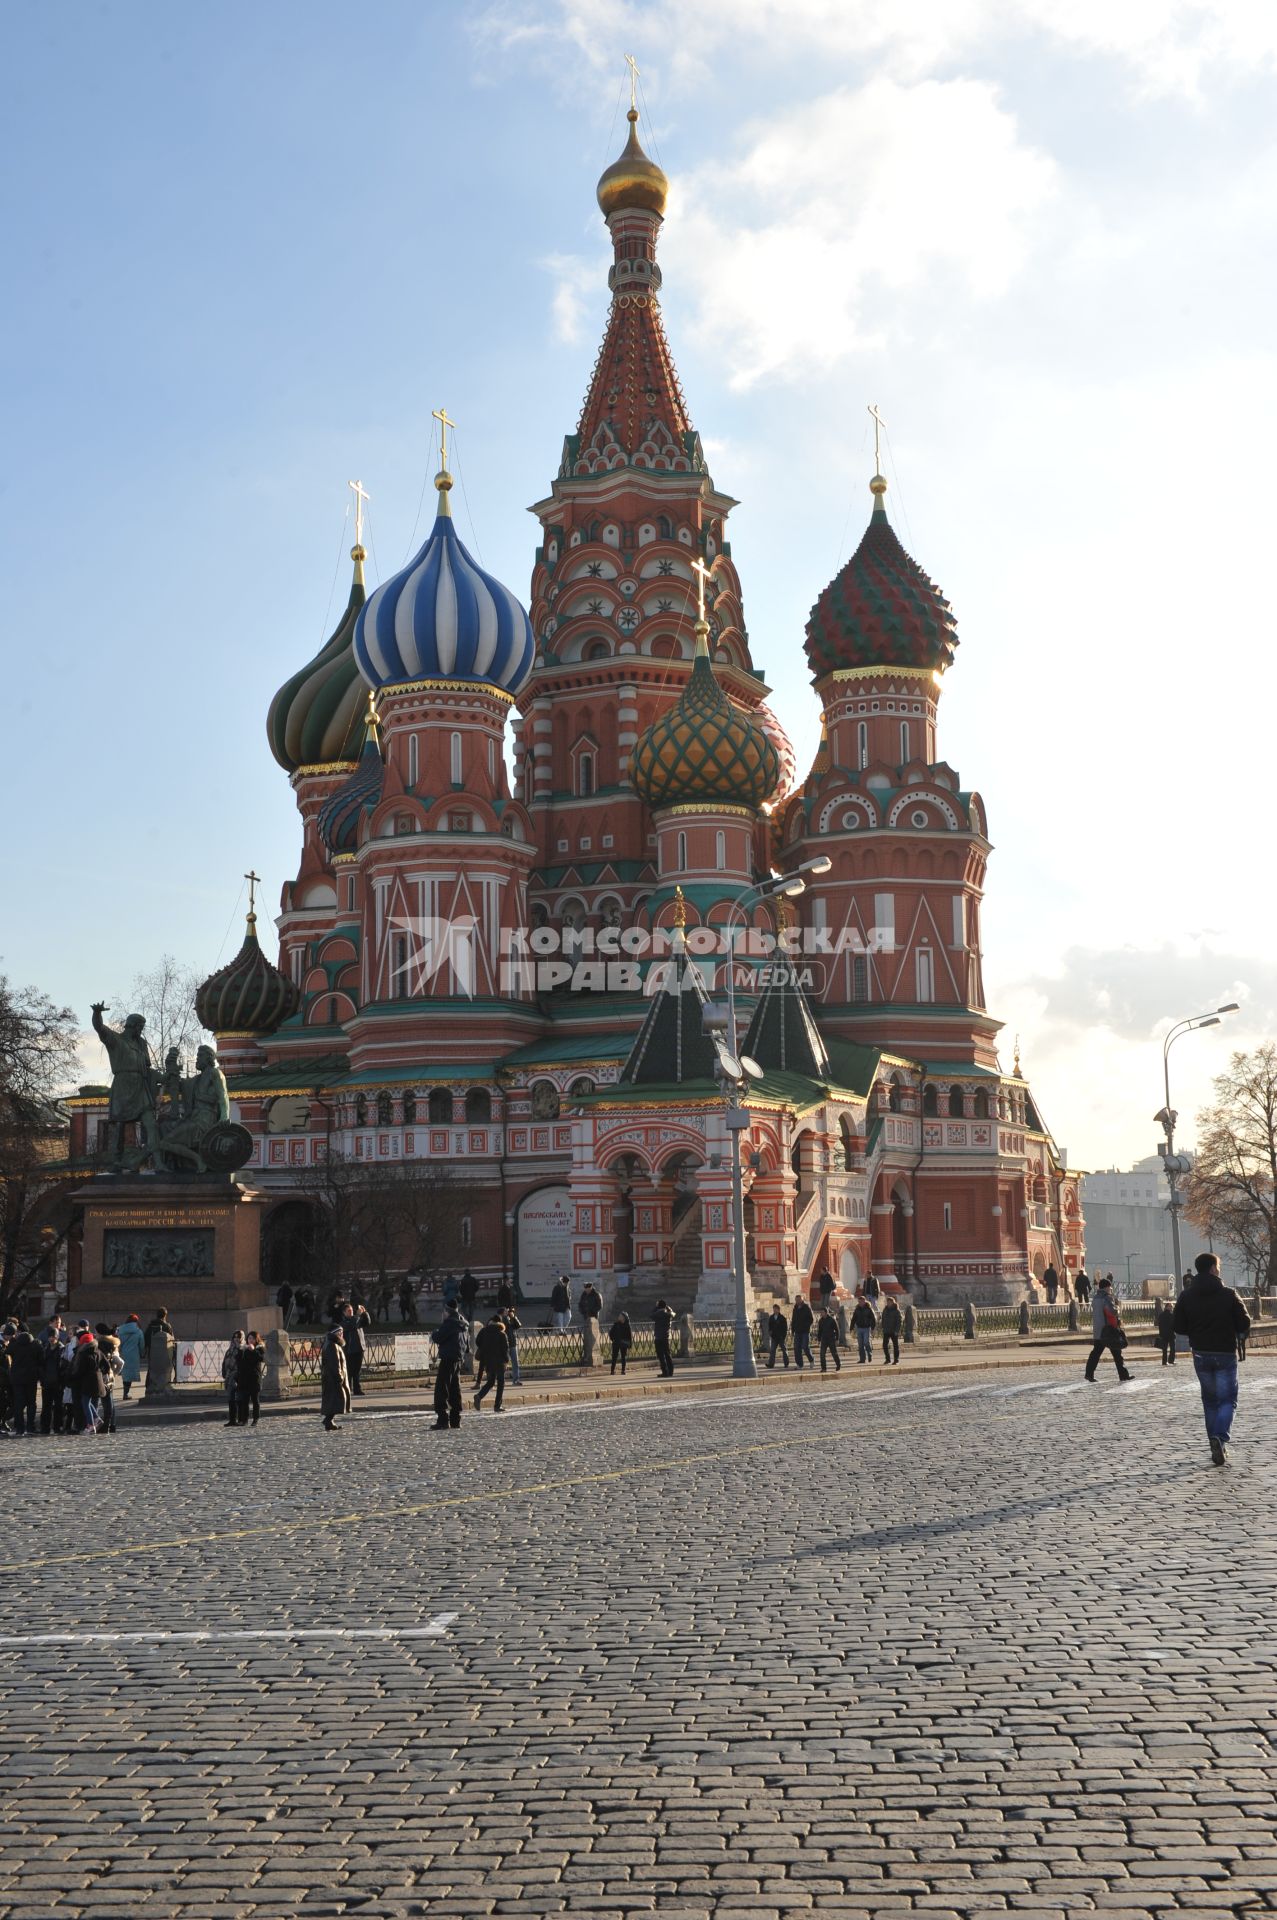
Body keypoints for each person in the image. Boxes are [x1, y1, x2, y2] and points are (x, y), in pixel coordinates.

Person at [1174, 1251, 1252, 1466]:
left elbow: (1178, 1326)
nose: (1219, 1269)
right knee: (1227, 1399)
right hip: (1225, 1353)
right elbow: (1244, 1322)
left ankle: (1214, 1442)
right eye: (1218, 1266)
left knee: (1209, 1401)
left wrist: (1196, 1331)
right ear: (1212, 1268)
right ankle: (1220, 1437)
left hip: (1200, 1353)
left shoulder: (1186, 1295)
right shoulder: (1228, 1294)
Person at [1084, 1275, 1132, 1383]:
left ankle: (1089, 1374)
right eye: (1110, 1288)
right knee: (1117, 1355)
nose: (1111, 1289)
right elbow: (1112, 1311)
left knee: (1095, 1354)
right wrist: (1118, 1308)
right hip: (1109, 1332)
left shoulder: (1095, 1298)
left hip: (1098, 1331)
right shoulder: (1106, 1298)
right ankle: (1124, 1375)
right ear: (1106, 1287)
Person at [432, 1302, 466, 1430]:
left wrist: (435, 1331)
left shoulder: (450, 1323)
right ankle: (455, 1420)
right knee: (455, 1389)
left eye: (444, 1312)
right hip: (458, 1358)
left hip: (448, 1358)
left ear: (447, 1312)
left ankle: (443, 1420)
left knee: (442, 1389)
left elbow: (438, 1337)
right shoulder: (463, 1323)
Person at [6, 1324, 40, 1436]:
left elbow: (8, 1352)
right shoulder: (35, 1344)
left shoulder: (15, 1345)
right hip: (31, 1378)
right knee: (31, 1403)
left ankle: (20, 1428)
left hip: (17, 1379)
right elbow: (41, 1358)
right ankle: (30, 1427)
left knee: (18, 1404)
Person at [474, 1316, 510, 1412]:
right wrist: (507, 1360)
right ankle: (497, 1406)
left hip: (487, 1361)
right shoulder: (502, 1334)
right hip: (499, 1362)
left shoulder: (484, 1331)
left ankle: (479, 1396)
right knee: (501, 1383)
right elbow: (505, 1349)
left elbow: (477, 1342)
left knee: (491, 1382)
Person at [71, 1329, 102, 1435]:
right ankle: (96, 1418)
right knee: (87, 1402)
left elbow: (81, 1370)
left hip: (87, 1382)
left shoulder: (84, 1354)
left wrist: (73, 1376)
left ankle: (91, 1424)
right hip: (96, 1381)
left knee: (85, 1402)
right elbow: (105, 1365)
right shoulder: (97, 1351)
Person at [320, 1325, 350, 1432]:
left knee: (334, 1401)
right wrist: (339, 1377)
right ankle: (328, 1420)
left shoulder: (331, 1343)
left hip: (331, 1377)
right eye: (339, 1332)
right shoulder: (332, 1345)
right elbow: (334, 1363)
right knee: (336, 1400)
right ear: (334, 1333)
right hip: (333, 1378)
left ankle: (329, 1421)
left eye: (342, 1332)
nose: (341, 1334)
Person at [39, 1321, 66, 1434]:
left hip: (58, 1382)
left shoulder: (62, 1349)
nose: (52, 1339)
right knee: (46, 1406)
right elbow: (40, 1365)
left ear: (57, 1337)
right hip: (47, 1382)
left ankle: (57, 1426)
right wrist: (42, 1379)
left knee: (58, 1406)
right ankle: (45, 1427)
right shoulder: (44, 1349)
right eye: (50, 1336)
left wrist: (62, 1380)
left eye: (54, 1337)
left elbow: (64, 1366)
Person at [236, 1332, 266, 1427]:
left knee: (255, 1400)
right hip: (244, 1378)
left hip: (254, 1378)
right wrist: (241, 1350)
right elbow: (238, 1360)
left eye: (252, 1338)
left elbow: (261, 1358)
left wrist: (253, 1350)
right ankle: (244, 1420)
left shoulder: (259, 1349)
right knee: (245, 1400)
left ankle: (255, 1419)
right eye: (249, 1338)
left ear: (256, 1340)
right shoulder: (244, 1349)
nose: (250, 1340)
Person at [116, 1314, 145, 1398]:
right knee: (130, 1374)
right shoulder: (139, 1331)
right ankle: (126, 1393)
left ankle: (126, 1392)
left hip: (122, 1354)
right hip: (133, 1355)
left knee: (125, 1374)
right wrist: (142, 1353)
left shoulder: (120, 1330)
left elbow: (117, 1342)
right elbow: (142, 1344)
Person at [97, 1334, 122, 1433]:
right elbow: (121, 1363)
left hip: (102, 1378)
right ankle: (112, 1425)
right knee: (110, 1402)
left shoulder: (101, 1350)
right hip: (110, 1378)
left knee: (105, 1402)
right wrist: (114, 1373)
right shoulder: (112, 1349)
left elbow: (121, 1363)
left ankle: (107, 1424)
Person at [342, 1304, 367, 1396]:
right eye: (349, 1311)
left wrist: (365, 1313)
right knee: (349, 1371)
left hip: (359, 1348)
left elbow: (367, 1322)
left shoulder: (356, 1319)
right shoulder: (344, 1322)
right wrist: (358, 1315)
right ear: (344, 1313)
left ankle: (357, 1389)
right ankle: (347, 1389)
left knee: (357, 1371)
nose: (351, 1312)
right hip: (350, 1349)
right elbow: (352, 1325)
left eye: (352, 1310)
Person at [222, 1331, 246, 1425]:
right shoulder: (230, 1349)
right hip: (229, 1376)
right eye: (234, 1337)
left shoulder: (243, 1348)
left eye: (238, 1337)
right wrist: (224, 1372)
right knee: (231, 1399)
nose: (236, 1339)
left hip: (238, 1376)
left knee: (239, 1398)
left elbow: (243, 1363)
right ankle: (232, 1420)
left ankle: (240, 1419)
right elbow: (225, 1361)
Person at [851, 1294, 877, 1364]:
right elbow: (854, 1319)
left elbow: (873, 1318)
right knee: (860, 1344)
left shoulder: (869, 1309)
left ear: (864, 1301)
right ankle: (862, 1359)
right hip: (859, 1328)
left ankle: (869, 1353)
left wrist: (873, 1327)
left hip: (866, 1328)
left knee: (866, 1342)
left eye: (861, 1302)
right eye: (859, 1302)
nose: (860, 1303)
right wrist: (851, 1327)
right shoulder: (857, 1309)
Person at [791, 1295, 815, 1371]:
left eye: (799, 1300)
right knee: (797, 1348)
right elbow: (793, 1320)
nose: (798, 1301)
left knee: (805, 1347)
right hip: (797, 1331)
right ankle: (799, 1364)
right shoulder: (795, 1308)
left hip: (805, 1331)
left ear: (802, 1300)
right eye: (796, 1300)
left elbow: (811, 1319)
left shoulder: (806, 1307)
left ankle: (811, 1360)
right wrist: (792, 1330)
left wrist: (806, 1326)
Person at [652, 1299, 675, 1378]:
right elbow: (673, 1314)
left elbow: (651, 1315)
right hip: (666, 1336)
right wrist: (668, 1308)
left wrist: (656, 1307)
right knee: (667, 1354)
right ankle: (671, 1371)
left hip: (658, 1337)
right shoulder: (668, 1314)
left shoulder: (657, 1314)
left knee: (661, 1356)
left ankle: (665, 1372)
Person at [817, 1307, 841, 1373]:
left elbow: (837, 1329)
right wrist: (819, 1340)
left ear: (826, 1312)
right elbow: (820, 1331)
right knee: (822, 1354)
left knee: (834, 1353)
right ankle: (823, 1368)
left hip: (831, 1338)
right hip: (824, 1339)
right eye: (821, 1312)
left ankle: (838, 1364)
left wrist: (837, 1339)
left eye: (822, 1312)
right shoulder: (820, 1320)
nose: (821, 1314)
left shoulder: (832, 1319)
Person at [503, 1307, 523, 1386]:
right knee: (504, 1363)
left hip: (513, 1343)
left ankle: (516, 1380)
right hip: (505, 1344)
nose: (509, 1312)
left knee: (515, 1363)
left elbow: (519, 1325)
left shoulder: (512, 1319)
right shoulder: (503, 1319)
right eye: (507, 1311)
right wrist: (506, 1316)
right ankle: (501, 1380)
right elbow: (504, 1326)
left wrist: (514, 1317)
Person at [880, 1296, 902, 1365]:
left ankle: (896, 1360)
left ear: (893, 1302)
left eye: (890, 1302)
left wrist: (897, 1330)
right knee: (884, 1345)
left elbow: (899, 1321)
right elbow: (883, 1319)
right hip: (886, 1330)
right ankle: (888, 1359)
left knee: (895, 1346)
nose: (888, 1303)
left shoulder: (896, 1310)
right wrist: (883, 1327)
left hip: (894, 1331)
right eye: (887, 1302)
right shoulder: (885, 1309)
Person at [609, 1311, 632, 1376]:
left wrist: (630, 1345)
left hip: (623, 1343)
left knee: (623, 1357)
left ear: (624, 1318)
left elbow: (629, 1336)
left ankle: (623, 1370)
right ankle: (612, 1370)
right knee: (614, 1357)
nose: (619, 1317)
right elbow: (611, 1333)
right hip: (616, 1342)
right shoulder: (616, 1324)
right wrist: (613, 1339)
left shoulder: (627, 1325)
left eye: (620, 1316)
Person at [1156, 1299, 1177, 1366]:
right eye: (1171, 1306)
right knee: (1172, 1348)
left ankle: (1164, 1362)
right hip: (1170, 1334)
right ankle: (1171, 1360)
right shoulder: (1171, 1315)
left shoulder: (1161, 1315)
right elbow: (1174, 1324)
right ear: (1167, 1307)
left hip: (1163, 1334)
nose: (1172, 1308)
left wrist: (1160, 1333)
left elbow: (1159, 1324)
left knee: (1164, 1349)